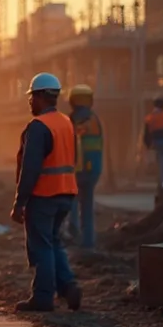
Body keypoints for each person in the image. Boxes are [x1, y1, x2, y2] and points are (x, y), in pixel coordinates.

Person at [11, 73, 83, 313]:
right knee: (53, 242)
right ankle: (68, 287)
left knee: (41, 245)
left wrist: (20, 202)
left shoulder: (39, 127)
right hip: (66, 193)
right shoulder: (66, 122)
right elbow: (73, 158)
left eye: (32, 97)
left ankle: (43, 297)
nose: (30, 102)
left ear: (41, 96)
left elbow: (30, 168)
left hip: (44, 195)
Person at [67, 84, 104, 249]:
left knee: (71, 201)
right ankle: (88, 243)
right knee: (87, 206)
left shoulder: (68, 121)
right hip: (92, 170)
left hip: (73, 170)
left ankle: (73, 231)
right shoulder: (95, 120)